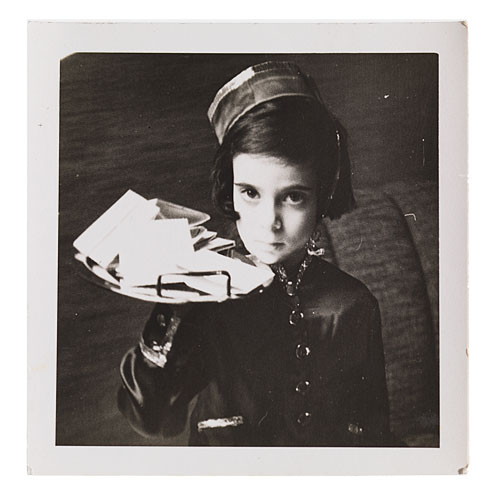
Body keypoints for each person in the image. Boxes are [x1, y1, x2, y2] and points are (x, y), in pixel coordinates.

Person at [118, 61, 396, 446]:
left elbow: (372, 440)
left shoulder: (353, 305)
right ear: (229, 186)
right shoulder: (207, 298)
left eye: (293, 197)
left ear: (324, 194)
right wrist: (176, 305)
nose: (269, 222)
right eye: (250, 192)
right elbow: (150, 418)